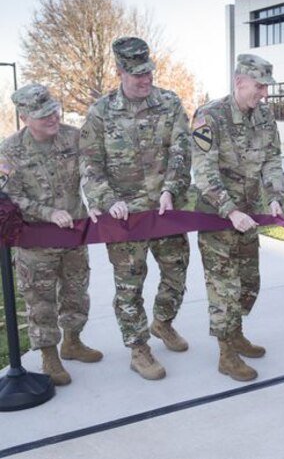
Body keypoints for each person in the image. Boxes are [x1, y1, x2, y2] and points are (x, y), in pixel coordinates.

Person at [79, 37, 192, 381]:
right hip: (124, 217)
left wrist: (172, 189)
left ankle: (163, 321)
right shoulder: (101, 112)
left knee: (176, 273)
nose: (145, 81)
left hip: (165, 210)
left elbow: (181, 152)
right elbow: (89, 163)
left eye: (148, 74)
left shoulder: (169, 104)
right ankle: (138, 347)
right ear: (119, 72)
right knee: (129, 284)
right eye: (136, 76)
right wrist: (107, 199)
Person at [191, 54, 284, 382]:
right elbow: (203, 171)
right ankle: (226, 354)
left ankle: (236, 334)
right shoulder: (209, 116)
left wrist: (274, 197)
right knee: (224, 289)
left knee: (249, 284)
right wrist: (229, 210)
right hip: (218, 219)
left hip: (249, 217)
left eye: (267, 87)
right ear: (239, 81)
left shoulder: (264, 117)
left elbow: (272, 158)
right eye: (259, 86)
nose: (265, 94)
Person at [0, 84, 102, 386]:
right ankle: (49, 355)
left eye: (54, 111)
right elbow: (10, 195)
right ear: (24, 117)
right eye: (43, 115)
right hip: (36, 239)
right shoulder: (9, 150)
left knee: (76, 291)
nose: (52, 118)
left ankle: (72, 342)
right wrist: (48, 213)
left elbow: (92, 172)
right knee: (40, 300)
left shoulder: (73, 136)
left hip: (73, 235)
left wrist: (96, 201)